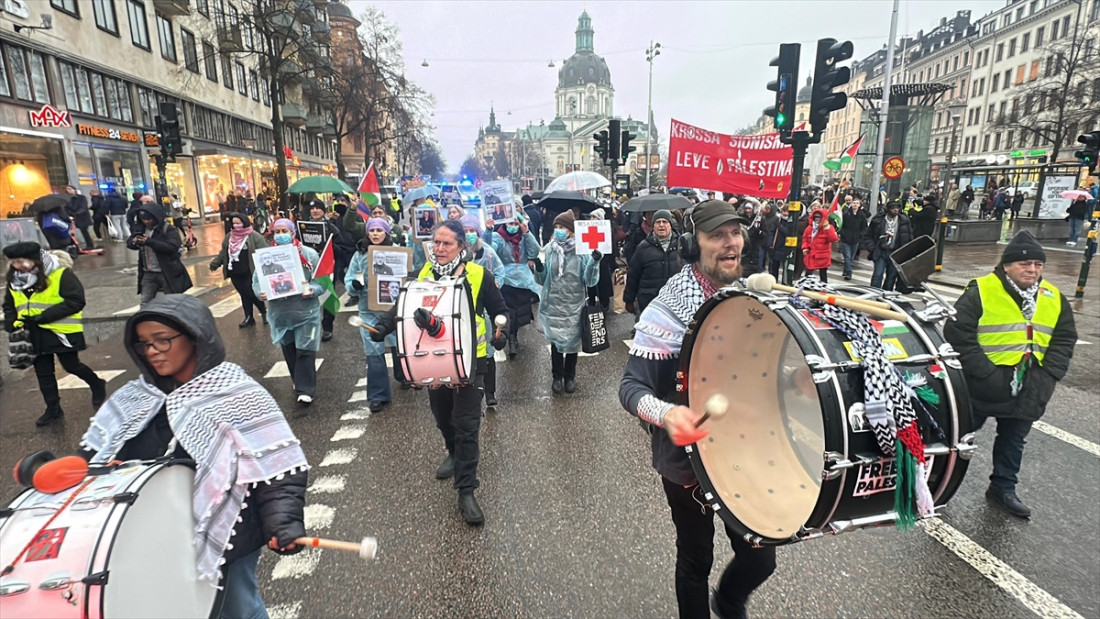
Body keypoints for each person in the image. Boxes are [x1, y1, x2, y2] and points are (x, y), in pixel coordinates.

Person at [62, 294, 307, 616]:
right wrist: (64, 470)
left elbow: (277, 467)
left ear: (195, 338)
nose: (152, 351)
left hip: (229, 532)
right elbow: (94, 452)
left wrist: (283, 523)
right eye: (143, 344)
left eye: (162, 341)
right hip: (149, 534)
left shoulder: (238, 393)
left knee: (237, 609)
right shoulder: (133, 397)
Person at [619, 200, 775, 618]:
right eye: (717, 235)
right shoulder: (667, 310)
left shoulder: (747, 297)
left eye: (736, 233)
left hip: (741, 452)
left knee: (762, 558)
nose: (731, 243)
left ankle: (728, 600)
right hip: (688, 462)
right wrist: (669, 415)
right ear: (693, 245)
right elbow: (631, 388)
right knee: (695, 561)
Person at [371, 220, 509, 525]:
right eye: (436, 243)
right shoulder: (424, 274)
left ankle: (466, 491)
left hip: (473, 361)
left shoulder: (478, 274)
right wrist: (383, 325)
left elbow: (502, 311)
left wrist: (502, 331)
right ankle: (452, 450)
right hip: (435, 361)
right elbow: (403, 306)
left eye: (447, 243)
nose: (440, 249)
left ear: (462, 245)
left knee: (467, 423)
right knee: (442, 416)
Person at [943, 231, 1076, 519]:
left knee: (1013, 440)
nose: (1032, 270)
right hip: (983, 384)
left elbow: (1065, 339)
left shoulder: (1053, 297)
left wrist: (1048, 375)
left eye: (1038, 265)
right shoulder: (982, 289)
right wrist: (986, 373)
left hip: (1029, 386)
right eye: (1024, 264)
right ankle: (938, 486)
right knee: (958, 435)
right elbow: (957, 334)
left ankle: (1003, 488)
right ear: (1006, 266)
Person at [3, 242, 107, 427]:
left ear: (35, 259)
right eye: (14, 262)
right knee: (43, 373)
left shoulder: (60, 274)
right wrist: (12, 324)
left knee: (71, 366)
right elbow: (9, 305)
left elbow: (76, 301)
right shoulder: (15, 280)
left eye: (21, 262)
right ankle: (53, 409)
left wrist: (43, 317)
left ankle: (97, 384)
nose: (18, 266)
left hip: (60, 331)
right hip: (32, 332)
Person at [254, 219, 323, 406]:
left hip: (306, 312)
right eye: (277, 231)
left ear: (293, 233)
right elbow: (257, 281)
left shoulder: (309, 255)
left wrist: (312, 290)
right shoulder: (265, 257)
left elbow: (322, 281)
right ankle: (298, 381)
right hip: (281, 313)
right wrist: (260, 292)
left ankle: (305, 389)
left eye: (285, 230)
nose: (280, 234)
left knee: (305, 350)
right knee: (290, 349)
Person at [536, 210, 601, 395]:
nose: (558, 230)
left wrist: (594, 262)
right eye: (556, 227)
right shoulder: (549, 249)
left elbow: (589, 280)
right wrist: (540, 269)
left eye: (562, 227)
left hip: (574, 303)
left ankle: (569, 376)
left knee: (572, 342)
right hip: (554, 302)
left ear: (572, 230)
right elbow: (543, 279)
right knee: (556, 342)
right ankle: (557, 377)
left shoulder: (582, 251)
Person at [346, 217, 398, 413]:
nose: (375, 233)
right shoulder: (359, 255)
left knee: (399, 345)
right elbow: (350, 278)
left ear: (386, 232)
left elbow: (407, 272)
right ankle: (378, 395)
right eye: (372, 230)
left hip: (391, 309)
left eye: (379, 230)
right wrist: (354, 285)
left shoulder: (397, 251)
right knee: (374, 353)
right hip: (367, 310)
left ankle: (404, 376)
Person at [462, 213, 504, 408]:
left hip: (483, 312)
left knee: (488, 353)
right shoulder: (457, 255)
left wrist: (495, 285)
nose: (469, 234)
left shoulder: (487, 252)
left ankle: (490, 392)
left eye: (472, 231)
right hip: (461, 311)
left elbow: (499, 271)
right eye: (465, 231)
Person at [487, 211, 541, 359]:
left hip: (523, 280)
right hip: (506, 280)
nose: (513, 227)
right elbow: (490, 251)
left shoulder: (524, 237)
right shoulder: (498, 237)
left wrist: (527, 232)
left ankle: (514, 334)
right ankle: (511, 338)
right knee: (509, 310)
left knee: (520, 311)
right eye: (510, 224)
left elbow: (535, 251)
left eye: (516, 224)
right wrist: (488, 231)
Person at [209, 212, 268, 328]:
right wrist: (215, 263)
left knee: (251, 294)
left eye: (238, 223)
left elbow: (264, 253)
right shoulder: (229, 237)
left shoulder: (255, 237)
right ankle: (249, 317)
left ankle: (264, 312)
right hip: (235, 272)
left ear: (244, 222)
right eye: (234, 223)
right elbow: (224, 253)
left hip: (250, 271)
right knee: (244, 295)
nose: (236, 226)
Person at [127, 204, 192, 305]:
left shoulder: (168, 229)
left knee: (172, 301)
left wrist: (149, 242)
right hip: (148, 272)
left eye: (149, 219)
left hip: (166, 272)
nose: (146, 222)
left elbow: (172, 247)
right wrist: (134, 241)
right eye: (143, 219)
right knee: (145, 302)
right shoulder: (141, 229)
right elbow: (130, 243)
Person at [624, 209, 682, 316]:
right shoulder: (643, 247)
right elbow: (633, 275)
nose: (661, 225)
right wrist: (629, 299)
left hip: (676, 301)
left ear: (670, 225)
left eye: (665, 222)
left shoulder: (681, 246)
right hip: (649, 301)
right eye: (657, 222)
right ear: (653, 225)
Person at [863, 200, 912, 291]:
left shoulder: (904, 221)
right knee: (878, 274)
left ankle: (886, 295)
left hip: (895, 253)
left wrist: (905, 252)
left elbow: (909, 238)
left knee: (891, 277)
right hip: (881, 252)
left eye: (897, 208)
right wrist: (873, 249)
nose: (895, 210)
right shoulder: (878, 220)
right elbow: (868, 235)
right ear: (888, 209)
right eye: (893, 208)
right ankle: (874, 293)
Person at [801, 208, 838, 282]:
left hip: (822, 256)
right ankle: (806, 288)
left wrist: (827, 228)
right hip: (811, 254)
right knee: (808, 273)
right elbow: (805, 239)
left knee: (823, 274)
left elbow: (833, 239)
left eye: (819, 217)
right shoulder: (809, 228)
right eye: (816, 217)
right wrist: (805, 248)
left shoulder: (829, 228)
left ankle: (823, 290)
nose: (817, 219)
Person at [840, 199, 868, 280]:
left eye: (857, 203)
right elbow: (842, 225)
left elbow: (864, 227)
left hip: (855, 240)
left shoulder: (862, 216)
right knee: (847, 257)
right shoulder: (846, 214)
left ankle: (845, 269)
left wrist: (860, 235)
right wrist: (843, 233)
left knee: (851, 258)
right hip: (846, 239)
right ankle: (849, 273)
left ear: (859, 205)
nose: (855, 205)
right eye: (854, 203)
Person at [65, 186, 97, 251]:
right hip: (74, 218)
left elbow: (83, 207)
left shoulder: (81, 198)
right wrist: (70, 213)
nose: (69, 191)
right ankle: (76, 245)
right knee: (75, 232)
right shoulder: (68, 199)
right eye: (67, 189)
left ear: (74, 190)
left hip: (83, 217)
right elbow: (66, 208)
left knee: (85, 231)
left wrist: (76, 213)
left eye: (70, 189)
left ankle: (90, 245)